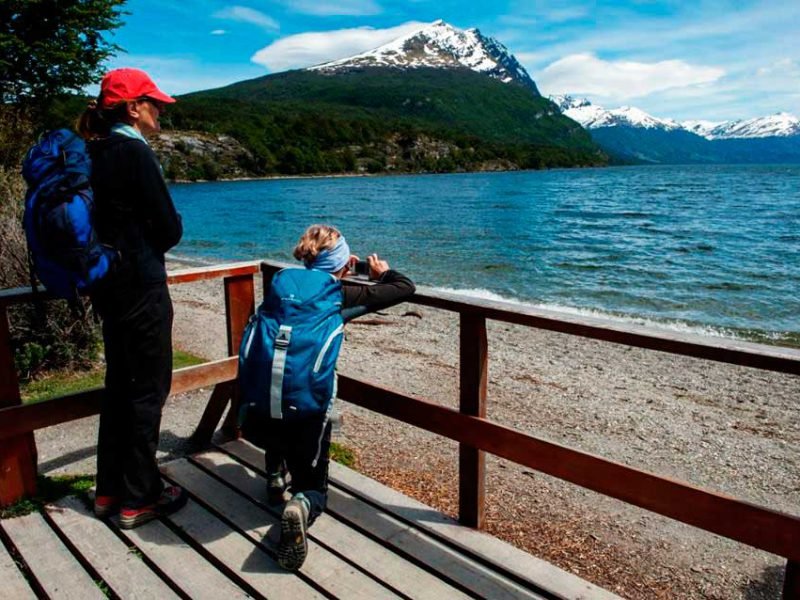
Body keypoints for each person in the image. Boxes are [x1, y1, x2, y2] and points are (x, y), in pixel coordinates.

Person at [240, 224, 415, 570]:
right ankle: (302, 503)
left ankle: (274, 477)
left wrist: (339, 269)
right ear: (344, 264)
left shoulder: (281, 283)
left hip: (261, 407)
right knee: (314, 485)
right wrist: (382, 273)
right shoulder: (339, 294)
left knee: (279, 385)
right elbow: (405, 287)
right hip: (308, 411)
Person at [76, 68, 187, 529]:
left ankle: (108, 491)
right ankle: (140, 497)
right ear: (133, 107)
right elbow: (169, 229)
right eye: (153, 103)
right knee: (147, 390)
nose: (160, 110)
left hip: (108, 287)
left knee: (119, 385)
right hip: (141, 286)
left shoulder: (92, 150)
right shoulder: (134, 152)